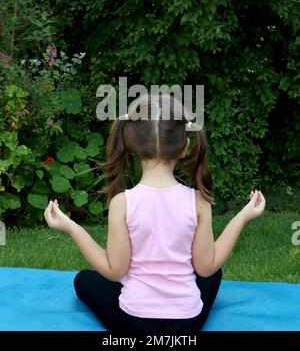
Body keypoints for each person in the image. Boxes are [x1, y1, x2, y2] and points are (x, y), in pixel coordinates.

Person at [44, 93, 265, 334]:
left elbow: (115, 271)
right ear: (184, 147)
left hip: (134, 323)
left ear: (133, 146)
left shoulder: (123, 202)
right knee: (212, 275)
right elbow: (206, 267)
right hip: (186, 324)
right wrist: (243, 215)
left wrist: (70, 226)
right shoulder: (198, 201)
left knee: (84, 280)